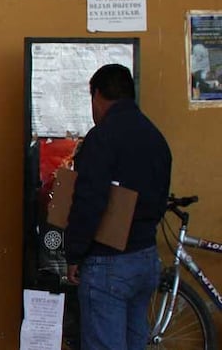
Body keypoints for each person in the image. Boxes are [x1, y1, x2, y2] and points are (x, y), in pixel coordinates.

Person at [65, 64, 172, 350]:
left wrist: (74, 252)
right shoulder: (154, 136)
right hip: (146, 258)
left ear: (97, 95)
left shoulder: (102, 137)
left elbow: (89, 201)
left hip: (108, 262)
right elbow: (161, 197)